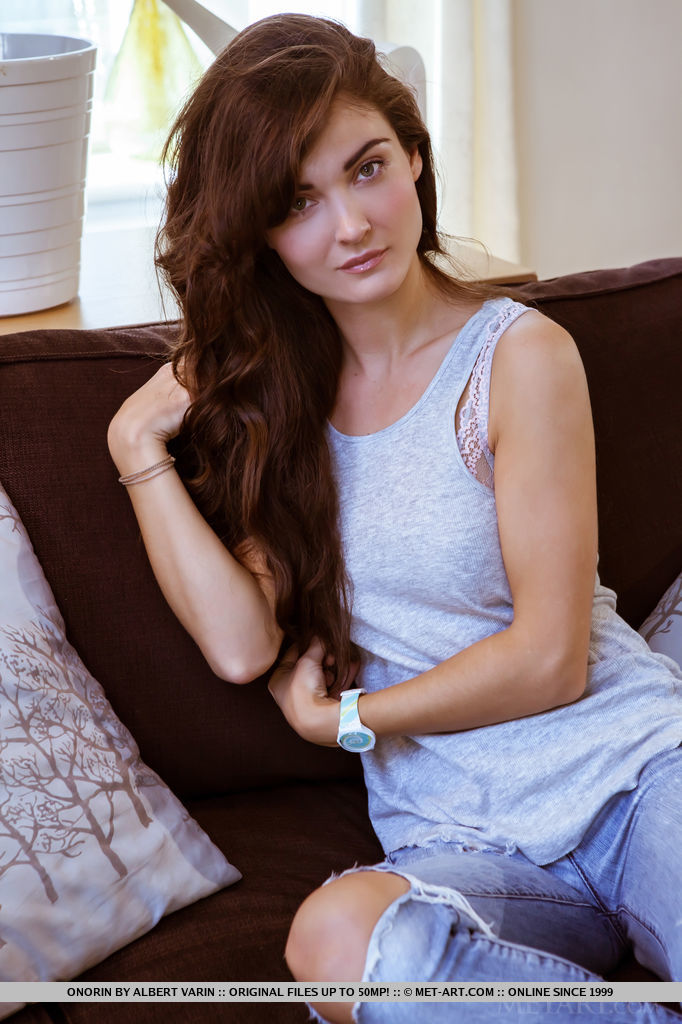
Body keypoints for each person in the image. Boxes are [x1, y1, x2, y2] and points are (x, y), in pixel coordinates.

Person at [107, 13, 682, 1024]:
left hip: (633, 779)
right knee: (333, 943)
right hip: (460, 844)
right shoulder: (276, 414)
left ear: (413, 156)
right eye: (298, 202)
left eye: (366, 169)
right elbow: (242, 648)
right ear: (261, 233)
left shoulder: (518, 357)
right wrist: (135, 450)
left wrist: (350, 718)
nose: (351, 225)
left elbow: (552, 659)